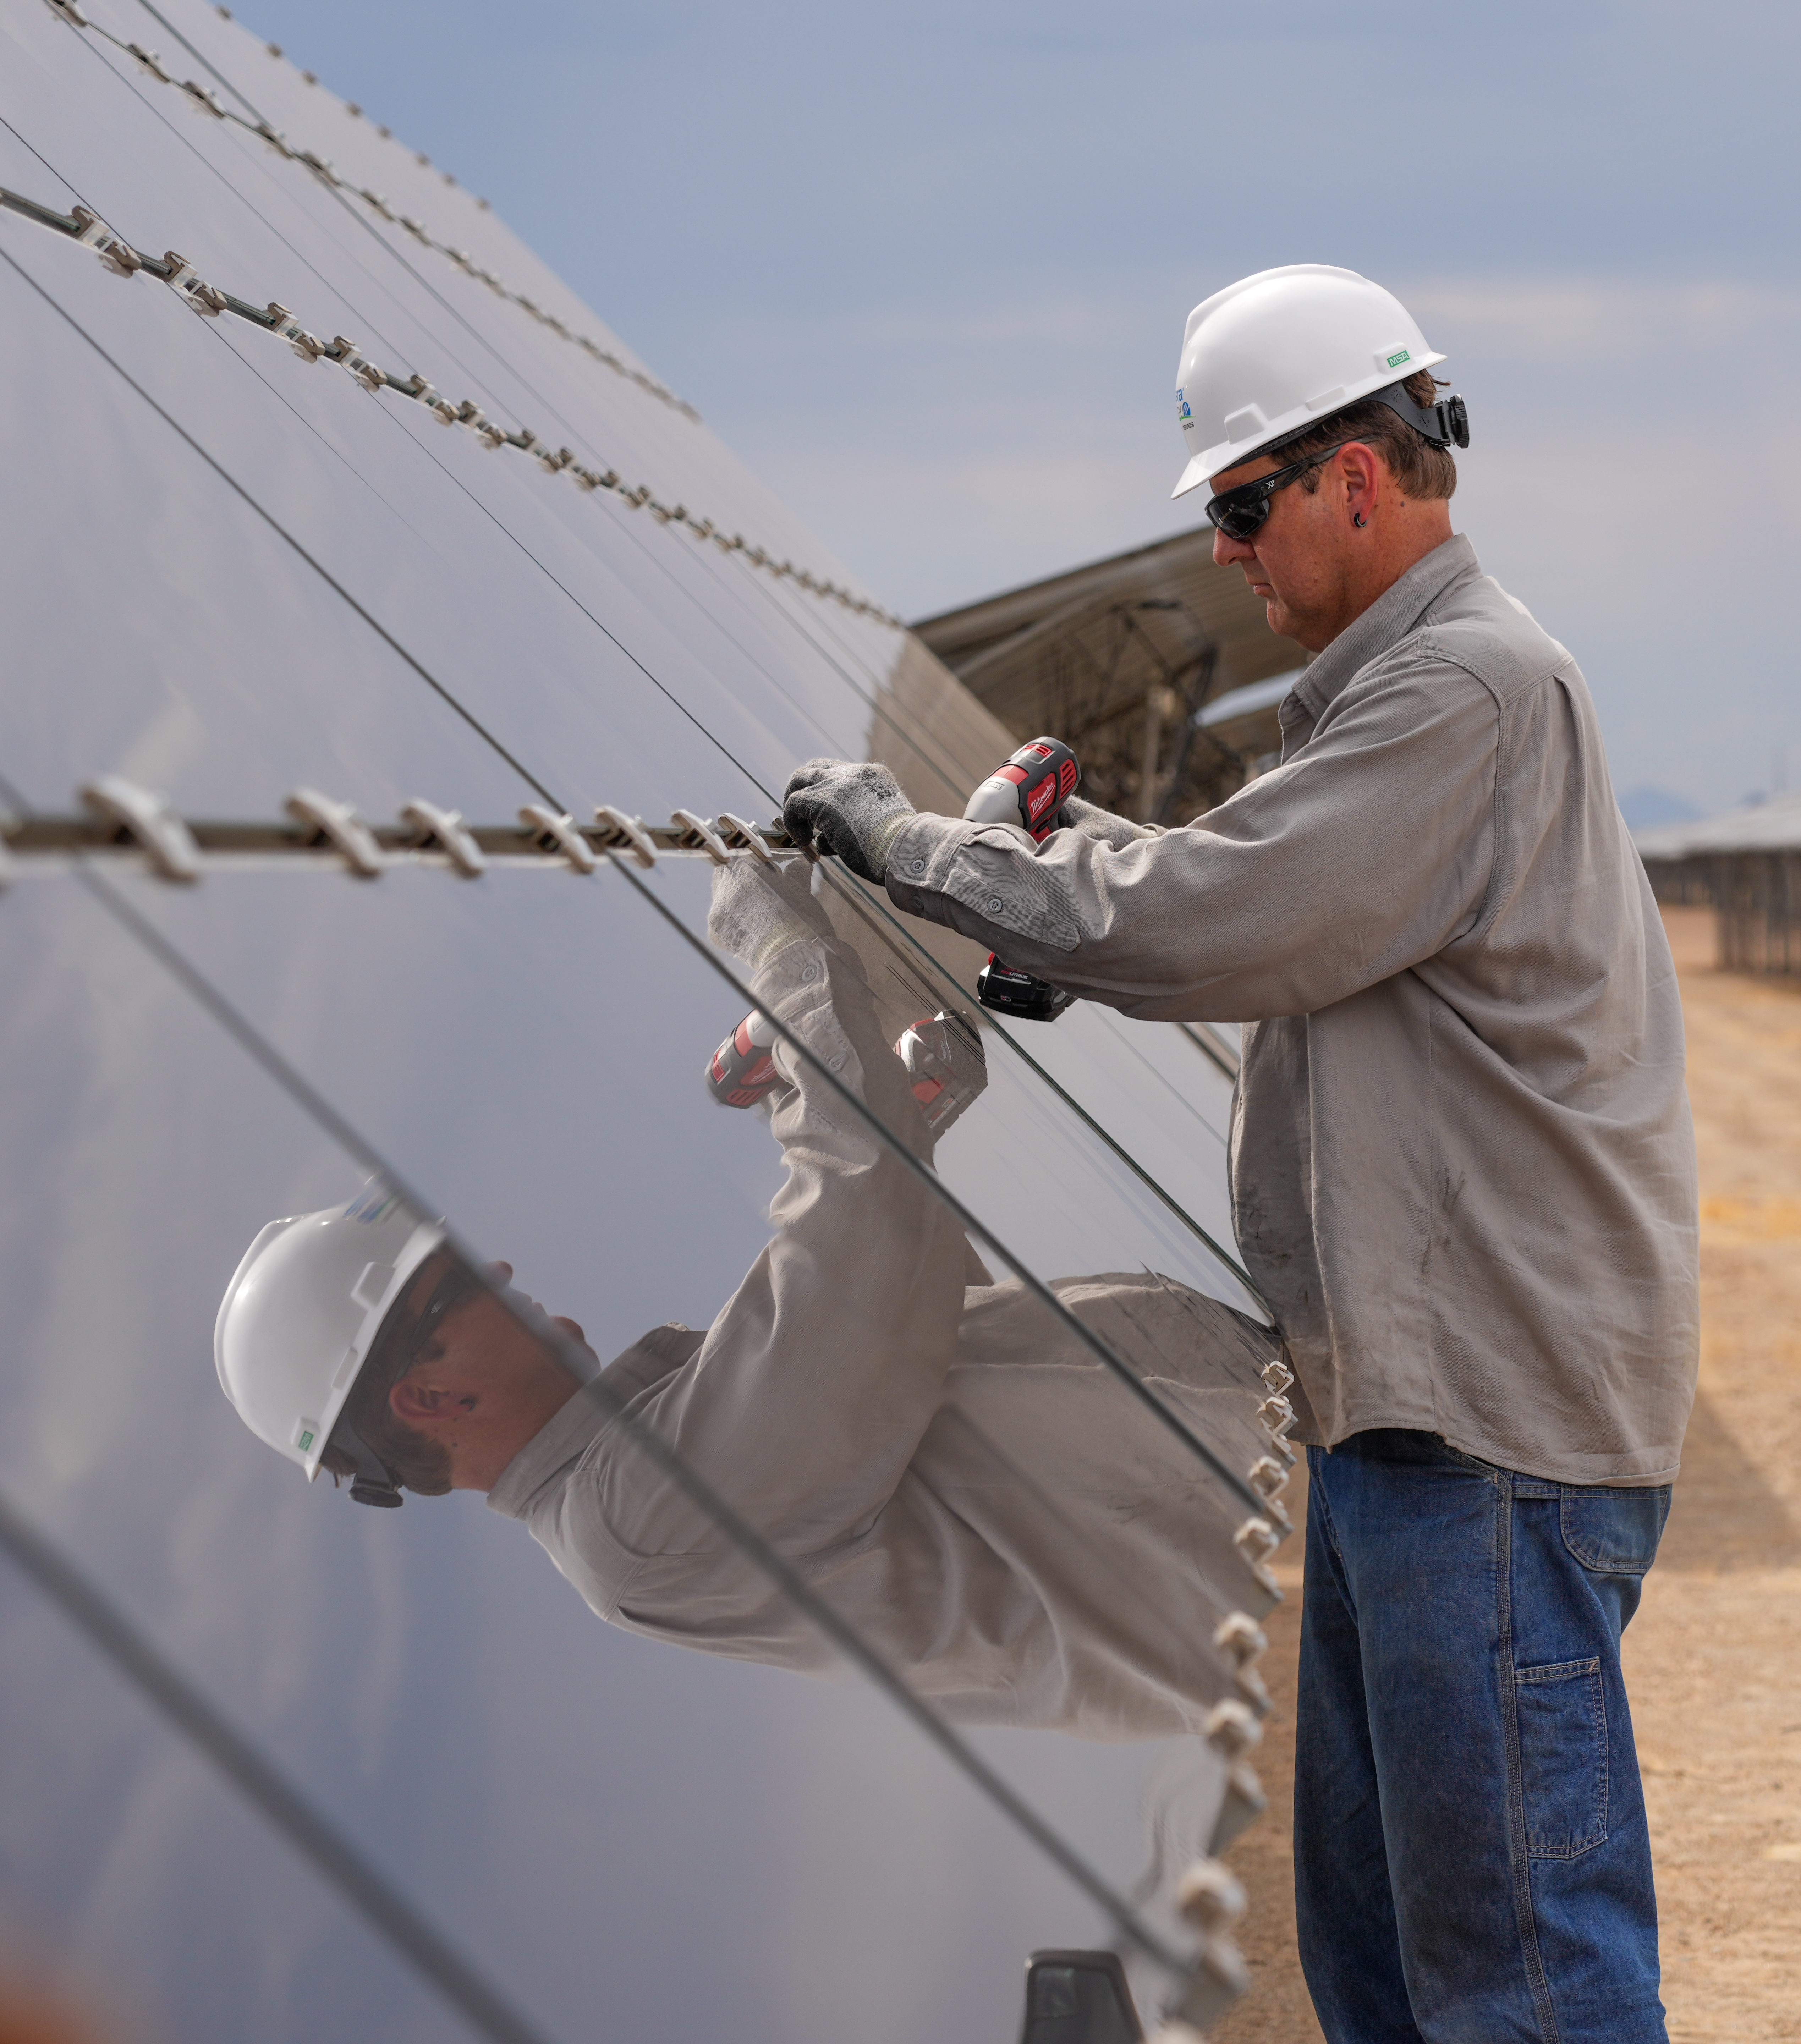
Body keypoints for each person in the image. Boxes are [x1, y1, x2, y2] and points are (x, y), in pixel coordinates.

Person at [782, 263, 1700, 2043]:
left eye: (1240, 500)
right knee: (1383, 1963)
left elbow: (1240, 908)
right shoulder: (1409, 698)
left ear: (1361, 476)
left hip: (1484, 1433)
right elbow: (1297, 927)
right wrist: (1062, 917)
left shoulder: (1469, 693)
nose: (1222, 550)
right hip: (1412, 1423)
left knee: (1513, 1978)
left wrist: (925, 856)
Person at [212, 851, 1274, 1744]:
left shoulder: (650, 1458)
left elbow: (905, 1351)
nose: (499, 1276)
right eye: (451, 1288)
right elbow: (854, 1271)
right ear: (427, 1399)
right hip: (1310, 1567)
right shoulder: (637, 1525)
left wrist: (902, 1122)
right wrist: (787, 965)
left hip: (1310, 1504)